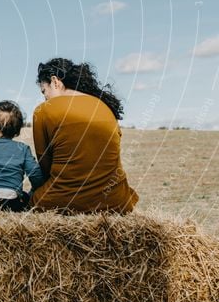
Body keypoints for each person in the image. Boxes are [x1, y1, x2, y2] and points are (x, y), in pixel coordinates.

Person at [31, 58, 138, 214]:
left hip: (63, 201)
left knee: (31, 198)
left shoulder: (44, 110)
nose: (45, 98)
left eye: (44, 92)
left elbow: (45, 163)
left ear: (55, 81)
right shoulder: (105, 107)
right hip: (116, 201)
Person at [0, 101, 46, 212]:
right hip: (12, 203)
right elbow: (35, 174)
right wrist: (34, 189)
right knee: (25, 197)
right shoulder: (23, 149)